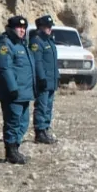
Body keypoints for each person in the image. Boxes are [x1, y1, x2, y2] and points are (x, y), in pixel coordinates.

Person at [0, 15, 39, 164]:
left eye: (24, 28)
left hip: (25, 92)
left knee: (23, 122)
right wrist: (12, 88)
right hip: (13, 93)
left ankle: (16, 148)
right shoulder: (5, 43)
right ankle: (11, 151)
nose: (22, 30)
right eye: (19, 27)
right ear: (11, 28)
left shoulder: (22, 44)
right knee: (13, 122)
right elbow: (5, 68)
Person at [29, 15, 59, 144]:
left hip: (51, 80)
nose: (49, 29)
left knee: (48, 106)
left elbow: (53, 62)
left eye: (50, 27)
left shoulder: (49, 40)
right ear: (40, 27)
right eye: (47, 27)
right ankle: (40, 131)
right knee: (42, 106)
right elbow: (37, 62)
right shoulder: (37, 41)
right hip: (43, 80)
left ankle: (45, 129)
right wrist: (41, 78)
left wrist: (57, 76)